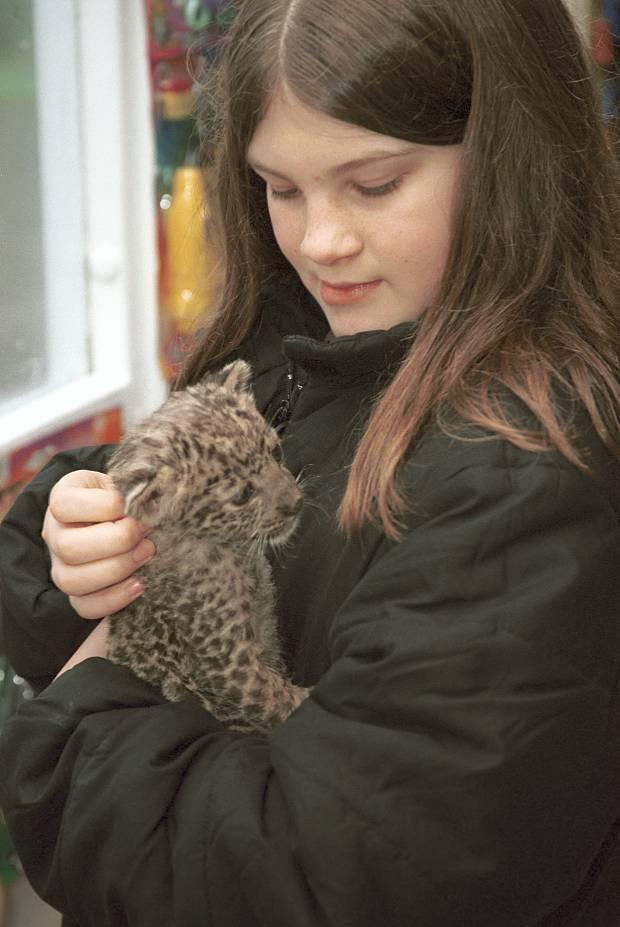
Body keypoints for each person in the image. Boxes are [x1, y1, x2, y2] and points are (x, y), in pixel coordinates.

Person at [1, 0, 620, 924]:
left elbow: (320, 876)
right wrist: (72, 531)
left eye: (373, 184)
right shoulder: (307, 334)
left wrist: (81, 711)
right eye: (280, 189)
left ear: (512, 158)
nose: (319, 241)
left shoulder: (531, 474)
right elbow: (134, 495)